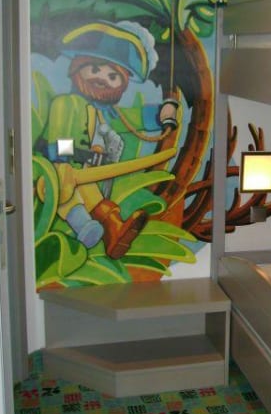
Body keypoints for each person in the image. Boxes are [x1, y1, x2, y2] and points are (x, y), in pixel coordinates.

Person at [40, 20, 179, 259]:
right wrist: (83, 155)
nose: (103, 79)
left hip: (91, 180)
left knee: (87, 188)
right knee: (69, 184)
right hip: (60, 174)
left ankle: (110, 230)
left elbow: (134, 119)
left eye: (113, 76)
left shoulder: (107, 114)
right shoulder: (66, 104)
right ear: (78, 68)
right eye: (95, 70)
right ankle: (88, 225)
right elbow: (56, 146)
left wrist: (163, 112)